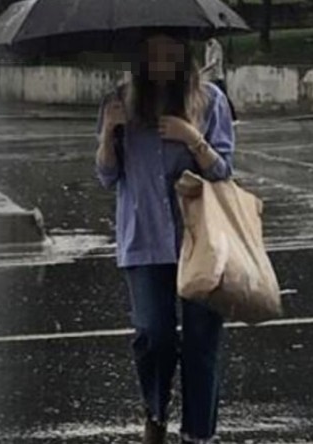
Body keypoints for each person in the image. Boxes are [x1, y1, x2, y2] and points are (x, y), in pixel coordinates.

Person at [95, 31, 235, 444]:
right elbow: (107, 175)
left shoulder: (210, 100)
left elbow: (223, 170)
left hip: (201, 239)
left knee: (201, 341)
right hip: (143, 237)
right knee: (153, 334)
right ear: (140, 54)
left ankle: (198, 433)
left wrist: (191, 137)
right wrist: (108, 133)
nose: (161, 59)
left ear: (182, 51)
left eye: (169, 49)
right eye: (152, 50)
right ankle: (155, 412)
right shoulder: (118, 101)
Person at [201, 38, 238, 122]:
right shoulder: (207, 46)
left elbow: (213, 62)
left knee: (224, 97)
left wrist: (202, 70)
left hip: (217, 76)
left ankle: (233, 116)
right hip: (209, 77)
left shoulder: (216, 46)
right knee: (210, 97)